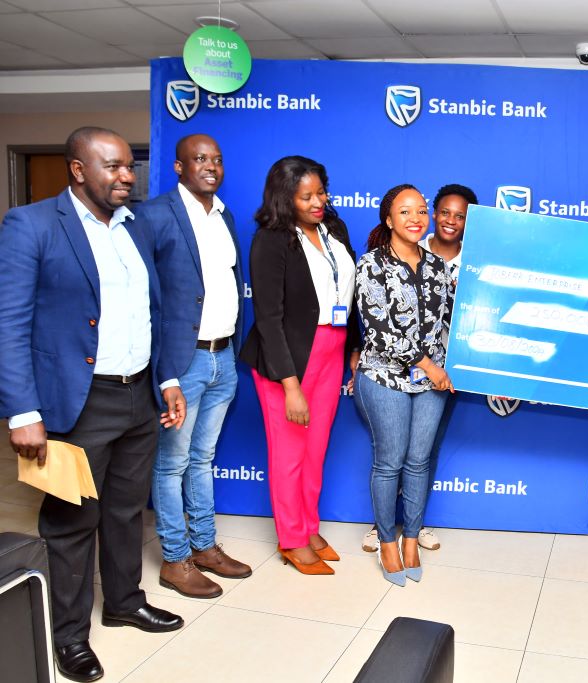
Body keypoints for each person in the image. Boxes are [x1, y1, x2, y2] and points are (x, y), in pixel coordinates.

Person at [0, 127, 186, 682]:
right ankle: (69, 636)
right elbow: (9, 325)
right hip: (75, 402)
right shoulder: (30, 225)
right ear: (78, 171)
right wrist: (22, 411)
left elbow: (153, 312)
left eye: (130, 166)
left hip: (138, 394)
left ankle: (126, 603)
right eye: (112, 167)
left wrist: (168, 377)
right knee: (71, 520)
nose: (127, 176)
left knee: (128, 510)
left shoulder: (139, 228)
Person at [136, 134, 251, 599]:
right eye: (200, 159)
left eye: (217, 160)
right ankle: (175, 558)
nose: (211, 166)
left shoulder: (223, 214)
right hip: (181, 364)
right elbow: (146, 299)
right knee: (172, 464)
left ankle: (204, 547)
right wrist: (164, 374)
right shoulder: (156, 214)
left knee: (202, 459)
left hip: (223, 357)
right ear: (180, 167)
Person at [240, 156, 359, 576]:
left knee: (315, 448)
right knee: (289, 452)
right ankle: (292, 538)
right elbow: (268, 319)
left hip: (332, 348)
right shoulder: (271, 240)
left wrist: (353, 350)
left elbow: (351, 296)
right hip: (287, 357)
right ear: (284, 197)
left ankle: (309, 527)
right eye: (305, 196)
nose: (316, 202)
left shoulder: (334, 229)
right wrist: (290, 385)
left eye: (320, 193)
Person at [361, 182, 477, 554]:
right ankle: (387, 541)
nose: (416, 218)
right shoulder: (371, 265)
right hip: (386, 378)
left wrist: (489, 366)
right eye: (405, 211)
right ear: (389, 219)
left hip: (431, 383)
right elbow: (380, 332)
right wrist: (429, 365)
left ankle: (411, 537)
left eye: (420, 211)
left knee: (417, 462)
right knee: (389, 462)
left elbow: (453, 324)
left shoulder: (438, 268)